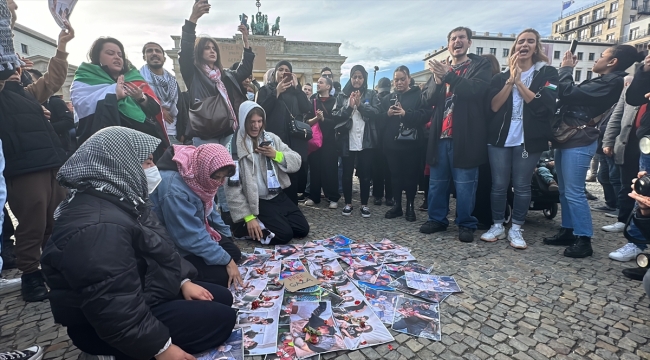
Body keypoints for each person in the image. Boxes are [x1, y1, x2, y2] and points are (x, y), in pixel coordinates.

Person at [41, 127, 237, 360]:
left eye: (152, 162)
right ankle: (117, 354)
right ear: (119, 164)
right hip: (100, 325)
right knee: (221, 321)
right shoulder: (99, 225)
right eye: (145, 163)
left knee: (222, 298)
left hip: (141, 291)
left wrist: (182, 281)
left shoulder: (122, 198)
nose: (153, 169)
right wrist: (161, 349)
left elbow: (160, 251)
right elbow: (112, 306)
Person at [543, 45, 643, 258]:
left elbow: (568, 92)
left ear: (612, 62)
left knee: (574, 191)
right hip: (570, 136)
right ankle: (569, 230)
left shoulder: (612, 81)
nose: (597, 60)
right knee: (565, 190)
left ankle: (583, 238)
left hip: (579, 138)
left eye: (601, 56)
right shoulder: (606, 80)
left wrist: (567, 69)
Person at [0, 19, 74, 302]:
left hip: (51, 164)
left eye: (19, 67)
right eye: (12, 66)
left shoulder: (28, 95)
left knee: (55, 221)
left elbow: (53, 80)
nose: (18, 70)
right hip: (23, 170)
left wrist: (62, 48)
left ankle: (55, 269)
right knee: (32, 225)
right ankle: (31, 275)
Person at [480, 29, 559, 249]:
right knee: (498, 185)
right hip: (500, 139)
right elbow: (494, 106)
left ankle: (516, 228)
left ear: (537, 47)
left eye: (530, 41)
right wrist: (510, 81)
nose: (524, 45)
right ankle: (497, 224)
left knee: (522, 185)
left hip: (529, 139)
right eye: (521, 41)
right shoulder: (500, 77)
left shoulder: (548, 73)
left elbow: (542, 106)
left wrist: (520, 83)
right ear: (515, 47)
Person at [180, 0, 255, 222]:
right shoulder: (193, 73)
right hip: (205, 131)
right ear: (199, 51)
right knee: (206, 176)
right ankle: (206, 217)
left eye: (214, 48)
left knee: (227, 176)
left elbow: (245, 69)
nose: (211, 51)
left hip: (227, 130)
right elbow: (184, 52)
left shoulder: (226, 76)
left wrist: (246, 41)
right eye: (207, 47)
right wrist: (192, 20)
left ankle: (227, 216)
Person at [419, 26, 492, 242]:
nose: (456, 41)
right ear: (449, 44)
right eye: (453, 38)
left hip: (466, 137)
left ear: (469, 42)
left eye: (461, 38)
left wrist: (449, 76)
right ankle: (437, 219)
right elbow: (427, 101)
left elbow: (475, 91)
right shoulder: (441, 69)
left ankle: (466, 223)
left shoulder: (480, 65)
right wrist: (438, 80)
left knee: (466, 184)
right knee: (437, 182)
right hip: (440, 137)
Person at [151, 143, 245, 288]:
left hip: (197, 228)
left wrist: (228, 238)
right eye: (218, 178)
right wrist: (226, 260)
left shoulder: (198, 168)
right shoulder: (174, 190)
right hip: (175, 243)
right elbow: (186, 235)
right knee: (223, 275)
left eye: (224, 177)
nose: (221, 183)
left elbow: (210, 209)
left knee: (233, 252)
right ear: (204, 170)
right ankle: (185, 281)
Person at [225, 101, 309, 245]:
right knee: (285, 235)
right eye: (251, 122)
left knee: (302, 229)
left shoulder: (271, 138)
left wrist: (276, 155)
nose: (256, 126)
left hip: (277, 195)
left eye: (259, 121)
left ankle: (270, 221)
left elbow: (297, 160)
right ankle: (241, 228)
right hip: (257, 201)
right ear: (243, 121)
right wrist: (248, 217)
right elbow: (232, 189)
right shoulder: (233, 147)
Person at [72, 37, 169, 159]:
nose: (117, 57)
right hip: (116, 153)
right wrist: (115, 97)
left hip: (150, 148)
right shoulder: (85, 78)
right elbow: (84, 110)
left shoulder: (134, 78)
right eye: (110, 53)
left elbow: (155, 110)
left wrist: (141, 98)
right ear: (97, 56)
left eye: (120, 54)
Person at [256, 61, 311, 204]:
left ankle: (291, 207)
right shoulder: (266, 90)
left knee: (291, 176)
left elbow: (307, 108)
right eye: (280, 69)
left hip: (293, 141)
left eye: (287, 70)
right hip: (273, 139)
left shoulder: (296, 92)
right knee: (272, 174)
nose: (283, 73)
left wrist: (298, 88)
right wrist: (276, 93)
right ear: (275, 73)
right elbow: (260, 112)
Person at [381, 66, 430, 222]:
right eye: (396, 79)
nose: (399, 82)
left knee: (410, 177)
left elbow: (425, 115)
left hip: (412, 145)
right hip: (392, 145)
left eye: (402, 79)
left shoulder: (419, 95)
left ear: (409, 78)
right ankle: (397, 206)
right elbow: (378, 118)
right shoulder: (388, 98)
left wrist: (405, 114)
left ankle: (410, 206)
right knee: (394, 176)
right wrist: (387, 114)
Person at [334, 65, 380, 218]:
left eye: (360, 77)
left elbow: (377, 112)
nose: (357, 80)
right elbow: (336, 114)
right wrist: (349, 107)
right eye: (354, 77)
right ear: (351, 78)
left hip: (366, 140)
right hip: (347, 139)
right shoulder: (342, 95)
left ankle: (364, 204)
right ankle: (348, 203)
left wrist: (360, 106)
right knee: (346, 174)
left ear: (364, 78)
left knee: (365, 174)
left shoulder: (371, 94)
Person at [602, 77, 640, 236]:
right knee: (627, 185)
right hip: (629, 142)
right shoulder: (632, 86)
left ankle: (640, 225)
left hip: (646, 141)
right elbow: (617, 115)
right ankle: (623, 220)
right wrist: (608, 141)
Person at [140, 42, 189, 146]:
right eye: (149, 51)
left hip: (174, 134)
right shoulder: (139, 79)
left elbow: (181, 107)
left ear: (164, 58)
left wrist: (183, 132)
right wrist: (159, 110)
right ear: (144, 57)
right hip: (152, 134)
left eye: (158, 51)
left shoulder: (172, 81)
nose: (154, 53)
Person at [303, 77, 341, 209]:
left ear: (328, 86)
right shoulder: (313, 101)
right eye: (317, 82)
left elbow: (338, 121)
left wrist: (324, 119)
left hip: (330, 141)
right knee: (314, 169)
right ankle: (314, 196)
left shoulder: (335, 101)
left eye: (321, 82)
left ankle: (333, 197)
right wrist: (316, 118)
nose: (318, 84)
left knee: (330, 169)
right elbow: (306, 121)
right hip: (315, 140)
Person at [473, 54, 501, 229]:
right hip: (484, 135)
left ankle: (484, 215)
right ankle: (483, 214)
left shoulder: (492, 85)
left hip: (487, 135)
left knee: (485, 178)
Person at [27, 69, 76, 156]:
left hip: (59, 149)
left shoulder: (54, 101)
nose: (28, 85)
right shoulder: (24, 103)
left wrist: (46, 128)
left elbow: (69, 121)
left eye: (31, 81)